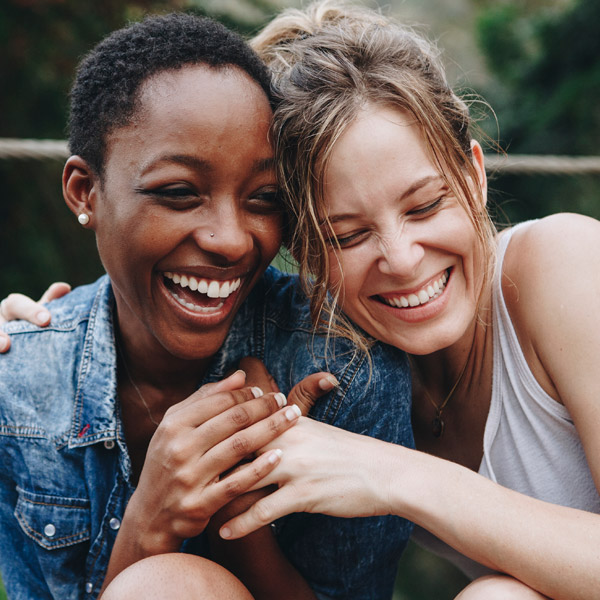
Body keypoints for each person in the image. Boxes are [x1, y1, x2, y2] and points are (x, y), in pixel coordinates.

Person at [0, 12, 414, 600]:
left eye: (264, 198)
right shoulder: (21, 388)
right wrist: (151, 519)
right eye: (178, 193)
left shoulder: (342, 368)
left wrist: (239, 508)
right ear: (83, 192)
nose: (231, 240)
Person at [212, 2, 599, 599]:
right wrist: (39, 326)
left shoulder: (564, 265)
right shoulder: (343, 366)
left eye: (424, 206)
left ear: (473, 173)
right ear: (306, 254)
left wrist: (395, 475)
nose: (403, 257)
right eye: (348, 235)